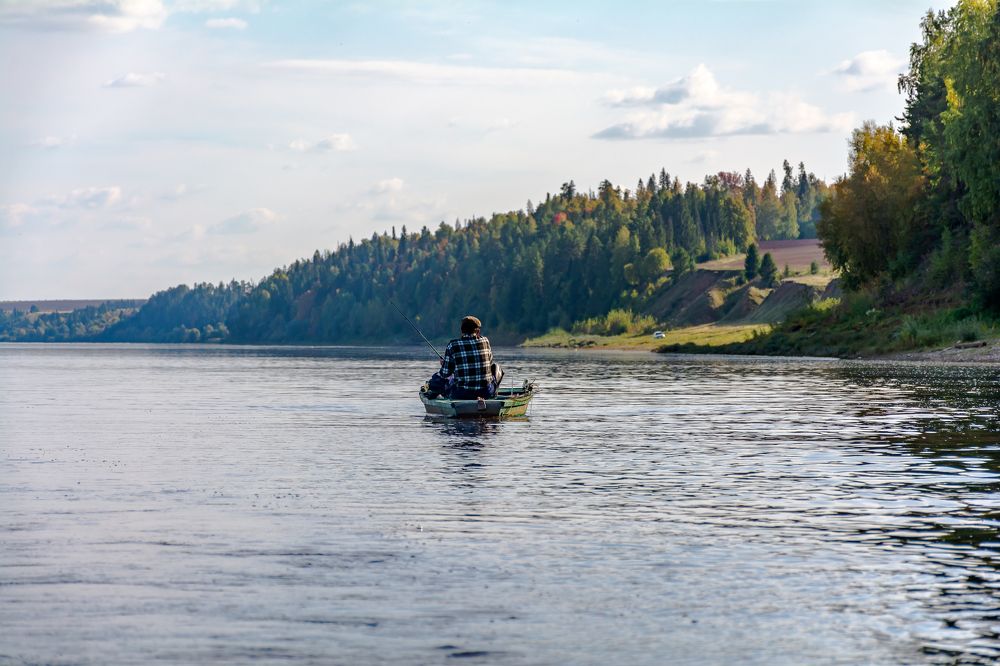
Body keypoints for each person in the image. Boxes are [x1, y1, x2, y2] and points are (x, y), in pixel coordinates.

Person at [437, 315, 503, 399]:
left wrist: (445, 364)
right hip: (486, 392)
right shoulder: (485, 341)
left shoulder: (452, 345)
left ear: (462, 330)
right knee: (497, 368)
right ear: (478, 331)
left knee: (440, 379)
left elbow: (445, 374)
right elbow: (489, 364)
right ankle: (493, 394)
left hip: (462, 394)